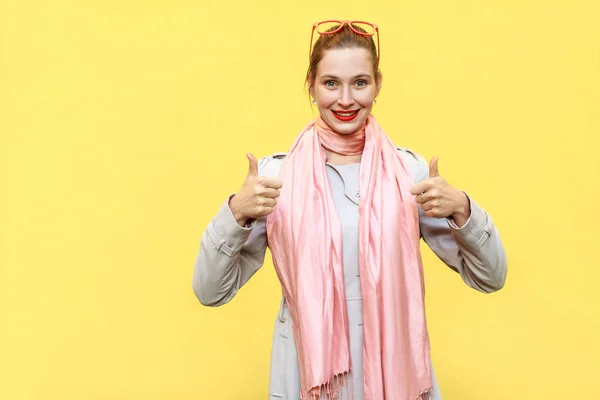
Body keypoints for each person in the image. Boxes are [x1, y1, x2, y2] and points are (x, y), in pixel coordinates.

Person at [193, 20, 507, 400]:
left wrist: (463, 209)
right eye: (331, 83)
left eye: (359, 83)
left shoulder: (409, 173)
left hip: (398, 376)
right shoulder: (276, 178)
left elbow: (491, 277)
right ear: (311, 84)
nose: (345, 99)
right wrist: (235, 214)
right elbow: (210, 292)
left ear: (377, 84)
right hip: (308, 379)